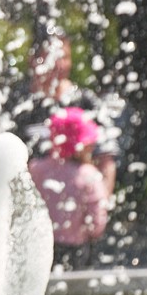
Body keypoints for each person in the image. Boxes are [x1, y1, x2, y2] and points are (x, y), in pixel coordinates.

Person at [10, 31, 123, 196]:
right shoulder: (18, 105)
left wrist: (100, 202)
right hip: (30, 200)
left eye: (65, 57)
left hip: (77, 202)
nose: (60, 65)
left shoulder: (85, 103)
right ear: (33, 60)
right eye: (54, 57)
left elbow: (106, 158)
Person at [29, 106, 109, 268]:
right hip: (75, 250)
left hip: (39, 247)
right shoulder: (89, 176)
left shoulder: (36, 169)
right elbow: (96, 224)